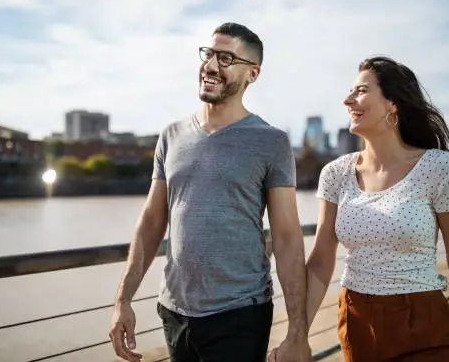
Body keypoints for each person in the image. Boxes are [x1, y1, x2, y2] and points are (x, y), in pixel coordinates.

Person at [108, 22, 312, 362]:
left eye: (227, 58)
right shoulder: (171, 135)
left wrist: (297, 331)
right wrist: (123, 300)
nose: (212, 65)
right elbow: (151, 222)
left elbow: (288, 237)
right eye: (209, 54)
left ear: (252, 74)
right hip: (173, 312)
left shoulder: (271, 141)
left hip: (239, 315)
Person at [303, 56, 449, 362]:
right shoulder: (335, 173)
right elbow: (321, 258)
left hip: (423, 321)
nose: (348, 100)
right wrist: (297, 334)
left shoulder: (438, 167)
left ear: (392, 103)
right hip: (357, 322)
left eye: (360, 91)